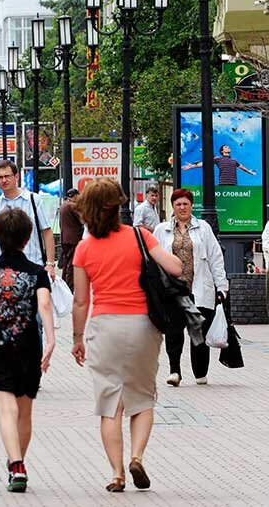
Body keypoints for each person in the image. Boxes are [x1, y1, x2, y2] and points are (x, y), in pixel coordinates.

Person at [71, 177, 184, 492]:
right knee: (143, 397)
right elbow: (174, 267)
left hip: (104, 327)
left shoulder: (84, 249)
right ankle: (137, 456)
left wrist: (77, 339)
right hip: (142, 327)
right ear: (118, 206)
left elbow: (81, 301)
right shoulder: (140, 236)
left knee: (111, 404)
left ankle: (117, 474)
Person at [0, 207, 54, 493]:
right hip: (29, 347)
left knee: (6, 409)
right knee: (25, 410)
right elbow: (44, 306)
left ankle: (16, 464)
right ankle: (18, 461)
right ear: (27, 237)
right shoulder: (37, 272)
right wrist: (52, 338)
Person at [153, 188, 228, 387]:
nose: (182, 207)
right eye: (178, 204)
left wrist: (222, 285)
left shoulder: (203, 228)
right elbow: (154, 260)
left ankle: (200, 373)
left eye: (186, 203)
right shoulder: (162, 230)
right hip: (173, 291)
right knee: (174, 332)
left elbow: (215, 257)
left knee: (198, 333)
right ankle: (174, 371)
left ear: (192, 205)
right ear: (173, 206)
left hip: (199, 289)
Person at [0, 160, 56, 282]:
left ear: (16, 176)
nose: (4, 180)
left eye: (7, 176)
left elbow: (47, 232)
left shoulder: (34, 200)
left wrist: (50, 264)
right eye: (0, 177)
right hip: (4, 272)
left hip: (33, 267)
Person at [182, 144, 257, 185]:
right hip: (223, 184)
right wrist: (191, 166)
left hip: (233, 184)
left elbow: (243, 168)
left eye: (228, 147)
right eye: (226, 147)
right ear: (222, 151)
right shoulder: (218, 159)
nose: (228, 147)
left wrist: (251, 172)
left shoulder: (234, 160)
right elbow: (205, 163)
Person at [58, 188, 84, 290]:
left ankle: (64, 284)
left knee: (67, 262)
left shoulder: (63, 205)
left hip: (64, 237)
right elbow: (82, 220)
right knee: (71, 264)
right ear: (75, 196)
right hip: (73, 238)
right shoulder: (72, 206)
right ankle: (69, 286)